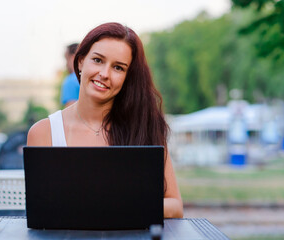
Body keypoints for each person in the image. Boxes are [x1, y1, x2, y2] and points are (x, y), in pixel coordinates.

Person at [27, 22, 183, 218]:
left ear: (127, 77)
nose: (105, 74)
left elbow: (175, 206)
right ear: (81, 61)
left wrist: (112, 205)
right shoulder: (43, 133)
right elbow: (39, 211)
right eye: (98, 60)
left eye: (118, 67)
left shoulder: (144, 127)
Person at [60, 43, 80, 107]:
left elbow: (70, 112)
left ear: (73, 57)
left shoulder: (70, 81)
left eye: (66, 59)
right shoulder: (89, 79)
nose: (66, 64)